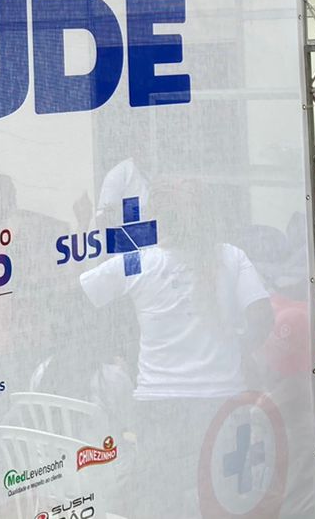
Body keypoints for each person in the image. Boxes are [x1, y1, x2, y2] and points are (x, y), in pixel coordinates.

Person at [78, 179, 271, 518]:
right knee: (226, 501)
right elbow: (262, 317)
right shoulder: (230, 256)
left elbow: (83, 294)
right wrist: (238, 349)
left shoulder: (139, 261)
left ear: (157, 219)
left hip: (160, 404)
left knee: (162, 503)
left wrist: (85, 227)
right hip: (223, 400)